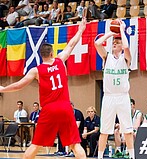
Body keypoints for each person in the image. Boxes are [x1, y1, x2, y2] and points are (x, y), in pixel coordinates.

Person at [0, 18, 87, 159]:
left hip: (49, 109)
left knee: (35, 145)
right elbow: (71, 44)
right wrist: (81, 29)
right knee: (75, 144)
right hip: (65, 107)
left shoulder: (36, 70)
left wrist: (3, 89)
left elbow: (19, 85)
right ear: (52, 53)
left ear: (41, 56)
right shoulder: (60, 60)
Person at [95, 19, 134, 159]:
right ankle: (100, 157)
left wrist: (122, 31)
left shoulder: (126, 59)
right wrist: (111, 33)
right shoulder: (107, 57)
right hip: (109, 97)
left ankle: (132, 156)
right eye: (114, 43)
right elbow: (97, 43)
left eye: (117, 43)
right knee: (104, 131)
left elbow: (127, 46)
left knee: (128, 131)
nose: (115, 44)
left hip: (123, 96)